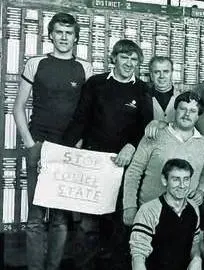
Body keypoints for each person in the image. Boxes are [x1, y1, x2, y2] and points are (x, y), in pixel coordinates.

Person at [62, 39, 151, 270]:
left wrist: (132, 145)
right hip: (94, 165)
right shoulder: (96, 83)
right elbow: (80, 119)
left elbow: (146, 126)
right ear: (113, 58)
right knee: (88, 226)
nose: (129, 63)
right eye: (124, 57)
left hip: (124, 167)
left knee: (118, 224)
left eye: (134, 59)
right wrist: (64, 151)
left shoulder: (142, 89)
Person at [13, 12, 92, 270]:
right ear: (50, 35)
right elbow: (18, 107)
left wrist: (79, 142)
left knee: (59, 218)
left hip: (67, 150)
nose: (63, 37)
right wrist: (30, 143)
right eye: (59, 32)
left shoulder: (85, 68)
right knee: (36, 217)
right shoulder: (36, 63)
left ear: (76, 37)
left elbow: (88, 111)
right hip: (39, 145)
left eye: (69, 33)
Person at [123, 91, 204, 226]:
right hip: (150, 214)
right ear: (175, 110)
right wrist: (129, 207)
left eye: (193, 110)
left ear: (198, 116)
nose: (187, 114)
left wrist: (202, 191)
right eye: (183, 108)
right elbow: (134, 171)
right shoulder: (155, 134)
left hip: (184, 217)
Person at [130, 159, 202, 270]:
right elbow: (138, 256)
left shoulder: (194, 208)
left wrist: (197, 258)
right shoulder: (149, 210)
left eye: (186, 179)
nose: (182, 185)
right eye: (176, 179)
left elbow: (195, 241)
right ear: (164, 180)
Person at [146, 56, 179, 121]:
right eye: (157, 72)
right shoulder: (142, 98)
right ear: (151, 75)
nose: (162, 76)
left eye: (166, 72)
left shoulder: (183, 97)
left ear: (172, 74)